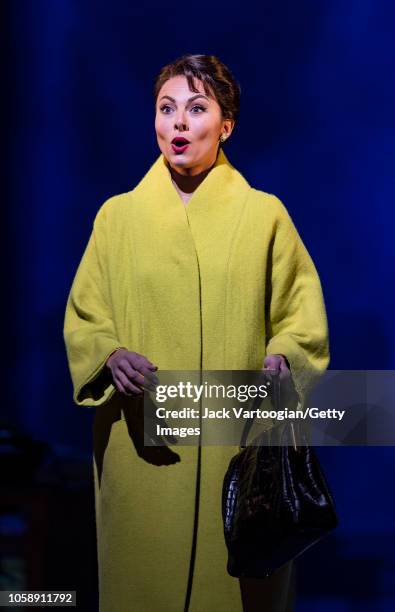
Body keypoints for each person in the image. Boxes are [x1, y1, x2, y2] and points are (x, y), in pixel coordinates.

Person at [63, 54, 329, 612]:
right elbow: (86, 315)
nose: (178, 122)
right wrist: (109, 354)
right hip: (143, 450)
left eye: (196, 108)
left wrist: (282, 357)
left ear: (225, 125)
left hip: (240, 451)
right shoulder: (117, 218)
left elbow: (300, 319)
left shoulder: (265, 216)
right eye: (166, 109)